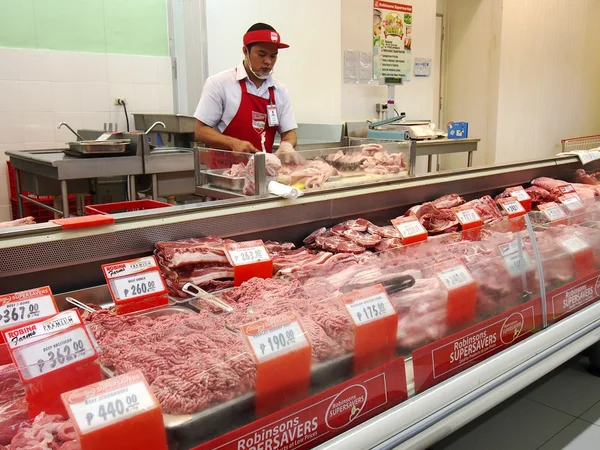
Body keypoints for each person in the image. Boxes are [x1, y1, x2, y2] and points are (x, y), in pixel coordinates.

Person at [194, 23, 298, 154]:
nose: (268, 62)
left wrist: (287, 146)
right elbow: (201, 130)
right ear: (245, 51)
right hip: (225, 171)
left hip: (263, 171)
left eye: (273, 56)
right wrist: (233, 143)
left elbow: (289, 132)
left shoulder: (280, 91)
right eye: (261, 54)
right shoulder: (219, 84)